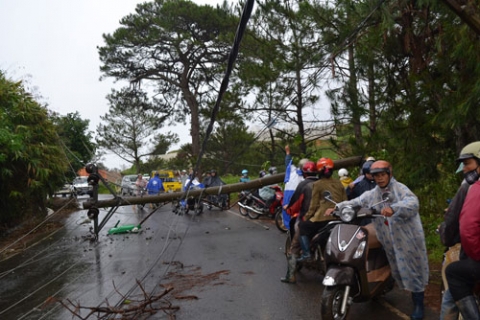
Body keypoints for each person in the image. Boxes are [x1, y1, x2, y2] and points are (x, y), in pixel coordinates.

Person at [331, 160, 429, 320]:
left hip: (407, 238)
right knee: (397, 268)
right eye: (376, 175)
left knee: (413, 270)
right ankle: (381, 285)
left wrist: (394, 208)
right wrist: (338, 207)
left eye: (383, 175)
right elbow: (357, 201)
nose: (380, 178)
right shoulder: (373, 193)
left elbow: (413, 202)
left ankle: (418, 304)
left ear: (389, 174)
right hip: (388, 238)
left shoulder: (400, 189)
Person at [440, 141, 480, 319]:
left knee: (452, 284)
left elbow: (466, 227)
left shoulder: (471, 187)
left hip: (472, 254)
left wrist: (475, 255)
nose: (464, 169)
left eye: (467, 163)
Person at [297, 157, 347, 261]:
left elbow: (313, 205)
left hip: (322, 219)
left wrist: (306, 217)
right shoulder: (339, 183)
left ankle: (306, 254)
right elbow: (345, 201)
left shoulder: (317, 184)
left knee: (302, 227)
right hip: (338, 218)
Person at [281, 160, 318, 283]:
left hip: (307, 220)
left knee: (294, 246)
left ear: (303, 172)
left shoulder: (303, 185)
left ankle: (290, 276)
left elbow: (295, 204)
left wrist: (289, 208)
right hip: (327, 220)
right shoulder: (323, 183)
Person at [282, 145, 309, 232]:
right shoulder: (306, 176)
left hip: (290, 197)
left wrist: (288, 152)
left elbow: (288, 162)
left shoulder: (292, 170)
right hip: (297, 197)